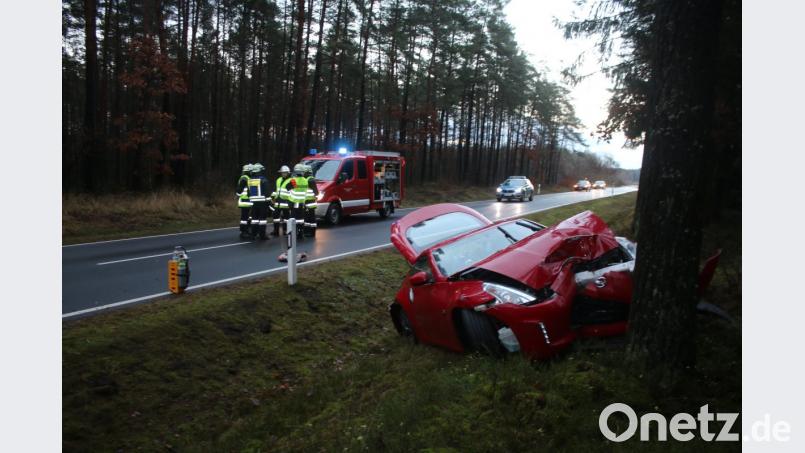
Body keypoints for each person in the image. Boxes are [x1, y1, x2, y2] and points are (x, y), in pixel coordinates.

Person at [247, 163, 271, 240]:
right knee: (262, 220)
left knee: (254, 219)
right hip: (263, 203)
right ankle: (262, 235)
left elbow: (248, 193)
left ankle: (253, 234)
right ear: (259, 171)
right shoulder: (263, 180)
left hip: (254, 203)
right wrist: (269, 202)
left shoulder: (250, 180)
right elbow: (267, 193)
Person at [288, 164, 310, 240]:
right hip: (302, 202)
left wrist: (291, 178)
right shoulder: (305, 180)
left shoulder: (294, 180)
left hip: (294, 202)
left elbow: (288, 188)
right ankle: (300, 232)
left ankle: (293, 233)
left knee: (293, 218)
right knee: (300, 218)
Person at [271, 165, 292, 236]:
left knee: (286, 218)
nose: (283, 174)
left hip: (286, 202)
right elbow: (275, 190)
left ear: (288, 173)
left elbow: (292, 192)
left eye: (285, 173)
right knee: (275, 217)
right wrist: (273, 197)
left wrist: (291, 201)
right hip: (278, 202)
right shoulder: (278, 180)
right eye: (282, 173)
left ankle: (285, 230)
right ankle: (276, 231)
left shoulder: (291, 181)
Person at [237, 163, 254, 238]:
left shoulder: (247, 178)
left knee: (249, 217)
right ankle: (243, 231)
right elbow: (239, 191)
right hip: (245, 201)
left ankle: (247, 230)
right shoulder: (244, 178)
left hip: (248, 201)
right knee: (244, 217)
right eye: (251, 171)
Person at [303, 164, 319, 237]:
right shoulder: (307, 179)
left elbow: (316, 192)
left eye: (303, 171)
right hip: (307, 202)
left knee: (311, 218)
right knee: (307, 218)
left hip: (310, 202)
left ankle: (312, 232)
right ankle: (307, 231)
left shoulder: (310, 180)